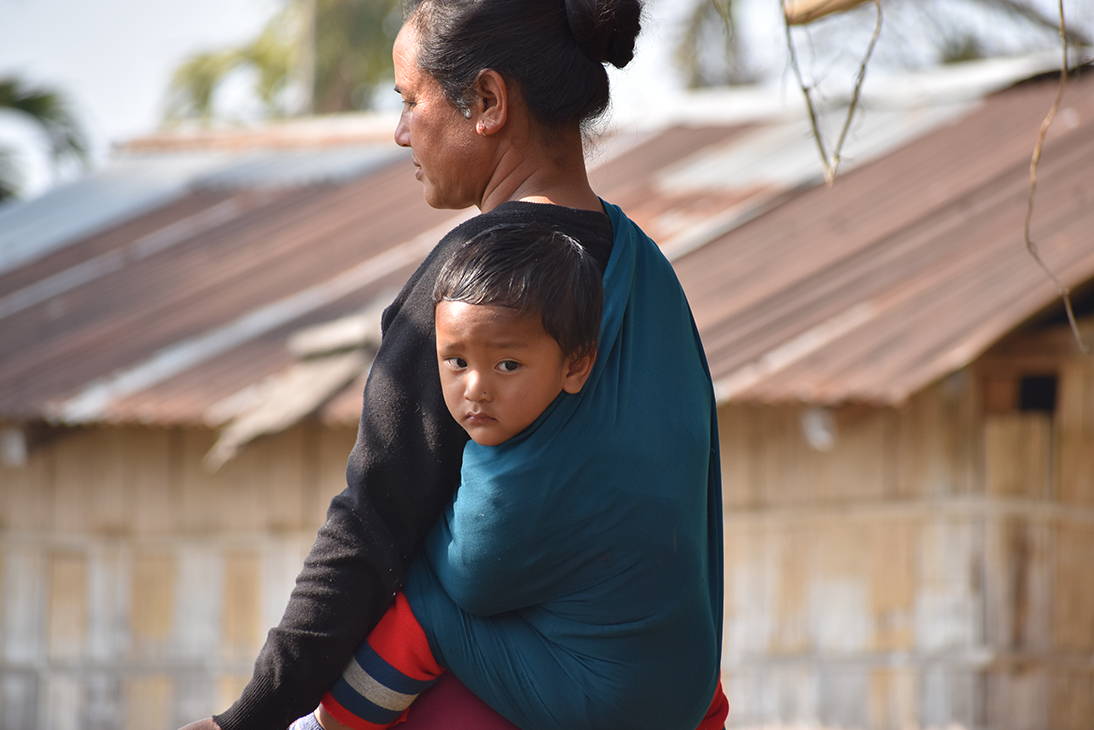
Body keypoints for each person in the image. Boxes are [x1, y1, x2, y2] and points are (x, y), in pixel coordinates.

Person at [180, 1, 726, 728]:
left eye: (411, 100)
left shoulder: (471, 288)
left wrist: (250, 716)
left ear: (489, 101)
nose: (401, 132)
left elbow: (373, 526)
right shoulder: (648, 271)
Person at [301, 225, 726, 730]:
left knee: (424, 603)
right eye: (456, 361)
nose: (476, 389)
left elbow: (471, 578)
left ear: (576, 365)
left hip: (602, 705)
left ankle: (331, 722)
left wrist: (410, 535)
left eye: (507, 364)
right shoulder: (609, 428)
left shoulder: (524, 476)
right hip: (690, 696)